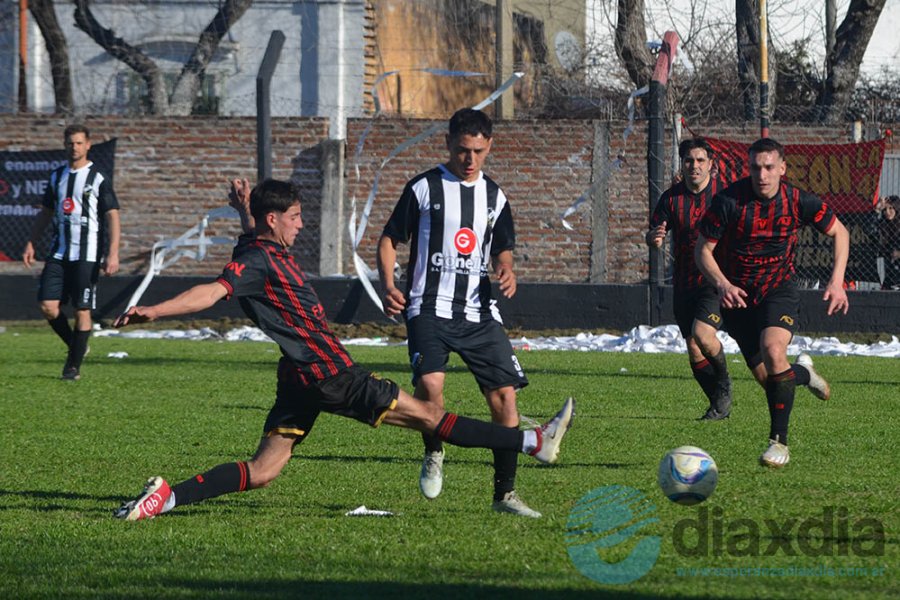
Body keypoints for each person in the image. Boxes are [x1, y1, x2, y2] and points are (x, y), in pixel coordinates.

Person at [112, 178, 574, 521]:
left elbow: (248, 242)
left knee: (263, 470)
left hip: (298, 380)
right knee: (431, 417)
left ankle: (165, 498)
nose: (301, 223)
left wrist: (244, 210)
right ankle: (533, 441)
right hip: (330, 375)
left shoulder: (257, 244)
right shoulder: (256, 259)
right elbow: (213, 292)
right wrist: (155, 311)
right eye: (295, 216)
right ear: (274, 220)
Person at [377, 108, 538, 517]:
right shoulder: (424, 188)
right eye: (464, 150)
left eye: (479, 152)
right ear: (449, 144)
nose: (471, 160)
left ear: (489, 147)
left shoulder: (495, 196)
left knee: (504, 398)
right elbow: (390, 239)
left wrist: (507, 268)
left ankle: (505, 494)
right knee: (430, 388)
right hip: (427, 307)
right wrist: (389, 286)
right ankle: (434, 448)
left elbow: (502, 247)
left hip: (478, 310)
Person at [695, 137, 849, 468]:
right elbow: (702, 250)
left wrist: (836, 282)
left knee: (774, 351)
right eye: (755, 167)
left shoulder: (798, 200)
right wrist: (722, 284)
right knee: (773, 381)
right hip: (737, 298)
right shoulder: (728, 202)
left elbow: (841, 232)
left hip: (778, 291)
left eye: (768, 167)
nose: (761, 175)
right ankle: (804, 374)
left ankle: (779, 444)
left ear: (782, 168)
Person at [22, 124, 121, 381]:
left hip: (87, 255)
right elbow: (45, 212)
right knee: (48, 307)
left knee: (81, 309)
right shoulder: (57, 177)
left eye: (79, 143)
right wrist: (32, 242)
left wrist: (113, 253)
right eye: (70, 143)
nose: (74, 147)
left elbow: (112, 215)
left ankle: (72, 367)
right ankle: (77, 346)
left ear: (88, 145)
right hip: (59, 252)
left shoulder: (97, 177)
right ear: (65, 144)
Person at [646, 138, 733, 421]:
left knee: (703, 334)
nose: (694, 166)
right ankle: (718, 405)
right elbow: (655, 235)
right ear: (681, 164)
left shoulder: (725, 196)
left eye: (699, 161)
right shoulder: (671, 199)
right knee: (694, 349)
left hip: (715, 280)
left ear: (711, 165)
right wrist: (654, 240)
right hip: (684, 283)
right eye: (688, 161)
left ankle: (724, 385)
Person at [876, 195, 900, 289]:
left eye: (891, 208)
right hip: (890, 273)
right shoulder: (883, 225)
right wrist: (877, 209)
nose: (887, 212)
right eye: (885, 209)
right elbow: (869, 229)